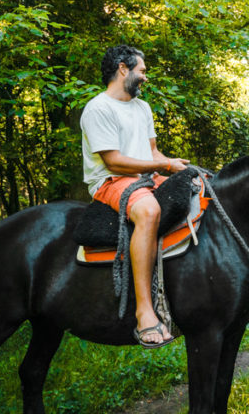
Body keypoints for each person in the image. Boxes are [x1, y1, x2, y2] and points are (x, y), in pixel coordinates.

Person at [81, 45, 189, 348]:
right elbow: (113, 161)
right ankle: (145, 312)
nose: (145, 77)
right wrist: (163, 165)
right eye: (141, 70)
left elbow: (153, 153)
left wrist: (175, 168)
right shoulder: (98, 108)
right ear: (122, 69)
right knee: (149, 212)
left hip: (146, 176)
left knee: (197, 187)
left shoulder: (142, 107)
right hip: (111, 181)